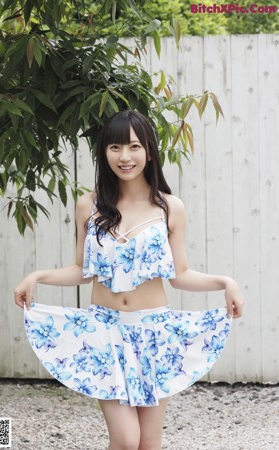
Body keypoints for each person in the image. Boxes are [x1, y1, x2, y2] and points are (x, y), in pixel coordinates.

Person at [14, 110, 244, 450]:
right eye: (115, 147)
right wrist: (38, 276)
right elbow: (82, 270)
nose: (125, 156)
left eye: (134, 146)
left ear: (149, 151)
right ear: (104, 153)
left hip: (154, 333)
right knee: (125, 439)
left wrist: (225, 282)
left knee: (148, 444)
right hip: (105, 332)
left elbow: (179, 276)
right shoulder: (88, 206)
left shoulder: (169, 207)